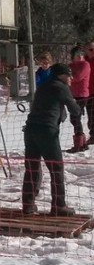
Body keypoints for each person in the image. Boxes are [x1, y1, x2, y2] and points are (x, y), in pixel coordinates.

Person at [22, 63, 80, 216]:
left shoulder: (43, 86)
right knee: (56, 169)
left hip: (30, 129)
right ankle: (58, 206)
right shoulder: (61, 87)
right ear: (61, 75)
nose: (71, 78)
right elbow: (75, 110)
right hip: (47, 131)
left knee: (32, 167)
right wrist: (76, 104)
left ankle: (28, 204)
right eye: (69, 75)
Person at [68, 46, 91, 153]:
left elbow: (78, 77)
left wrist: (69, 77)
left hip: (82, 95)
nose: (79, 56)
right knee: (75, 118)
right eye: (77, 54)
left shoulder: (85, 64)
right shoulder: (71, 65)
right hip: (72, 94)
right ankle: (82, 142)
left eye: (81, 54)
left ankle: (79, 143)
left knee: (75, 118)